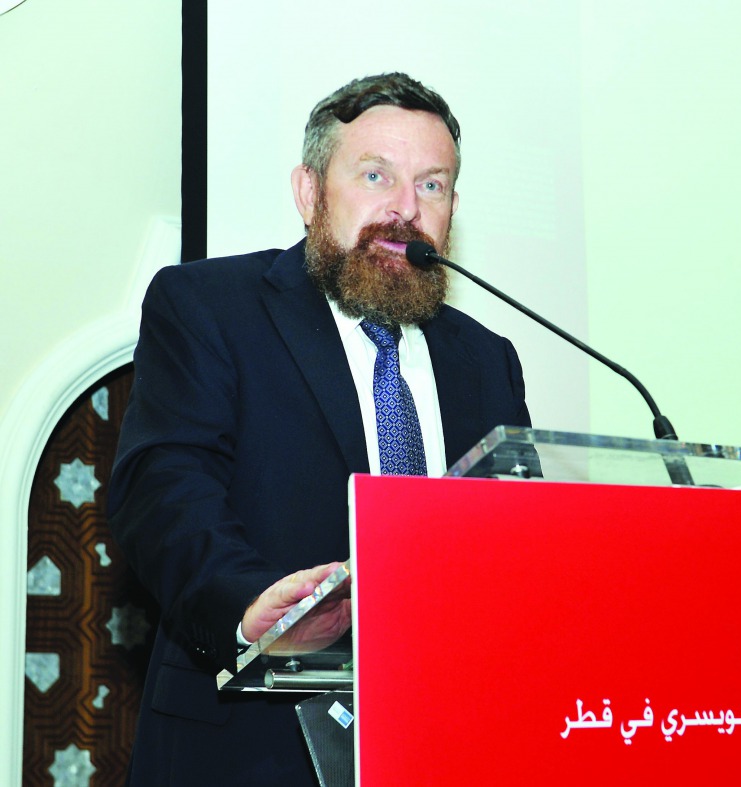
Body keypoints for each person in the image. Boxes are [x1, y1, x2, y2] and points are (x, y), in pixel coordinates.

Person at [107, 72, 531, 786]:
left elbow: (515, 552)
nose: (405, 209)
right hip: (250, 749)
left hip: (445, 744)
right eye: (376, 175)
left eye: (432, 186)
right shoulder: (210, 308)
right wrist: (251, 604)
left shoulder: (486, 359)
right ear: (309, 193)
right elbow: (165, 491)